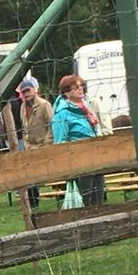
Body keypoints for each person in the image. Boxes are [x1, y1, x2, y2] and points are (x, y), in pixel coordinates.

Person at [52, 73, 106, 206]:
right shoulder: (62, 113)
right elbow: (60, 142)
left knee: (99, 195)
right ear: (67, 93)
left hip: (96, 157)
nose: (81, 89)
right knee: (87, 198)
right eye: (75, 87)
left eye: (81, 85)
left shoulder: (86, 108)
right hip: (79, 161)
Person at [18, 76, 52, 207]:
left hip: (44, 146)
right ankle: (33, 203)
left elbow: (52, 125)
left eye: (28, 90)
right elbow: (24, 128)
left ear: (34, 90)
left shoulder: (44, 105)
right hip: (30, 147)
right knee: (30, 176)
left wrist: (46, 144)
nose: (26, 94)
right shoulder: (22, 107)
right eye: (24, 92)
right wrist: (27, 145)